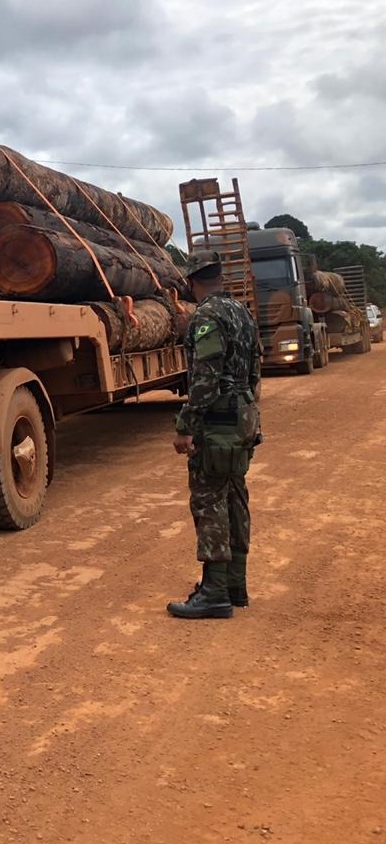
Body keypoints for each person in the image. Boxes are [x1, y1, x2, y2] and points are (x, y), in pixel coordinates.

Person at [168, 250, 262, 619]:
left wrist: (186, 426)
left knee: (209, 502)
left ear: (191, 282)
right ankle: (235, 585)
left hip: (218, 420)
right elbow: (255, 370)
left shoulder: (206, 315)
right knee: (235, 497)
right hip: (242, 415)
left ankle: (214, 594)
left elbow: (205, 377)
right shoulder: (243, 313)